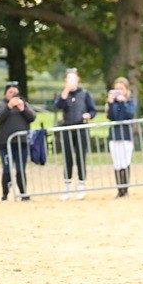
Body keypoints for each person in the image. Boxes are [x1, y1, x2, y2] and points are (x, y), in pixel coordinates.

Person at [54, 68, 96, 200]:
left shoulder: (84, 93)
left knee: (80, 157)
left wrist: (89, 115)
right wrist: (65, 91)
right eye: (68, 78)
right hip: (67, 128)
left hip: (80, 128)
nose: (71, 81)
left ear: (78, 79)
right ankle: (67, 186)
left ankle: (81, 185)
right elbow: (58, 105)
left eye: (73, 78)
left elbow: (92, 110)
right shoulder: (63, 94)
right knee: (67, 158)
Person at [0, 81, 35, 201]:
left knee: (21, 168)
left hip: (21, 142)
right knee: (7, 169)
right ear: (5, 93)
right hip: (5, 143)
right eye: (10, 92)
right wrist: (9, 107)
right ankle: (5, 194)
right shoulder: (1, 105)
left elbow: (32, 117)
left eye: (15, 92)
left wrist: (22, 109)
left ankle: (23, 192)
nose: (13, 94)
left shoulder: (24, 104)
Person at [106, 77, 137, 198]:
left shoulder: (130, 101)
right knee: (117, 163)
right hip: (114, 135)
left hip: (126, 135)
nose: (118, 91)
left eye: (121, 89)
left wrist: (123, 102)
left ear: (126, 90)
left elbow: (129, 114)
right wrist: (111, 102)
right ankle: (119, 189)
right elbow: (111, 116)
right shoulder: (113, 102)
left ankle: (126, 189)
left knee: (125, 162)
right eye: (116, 89)